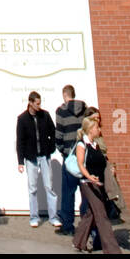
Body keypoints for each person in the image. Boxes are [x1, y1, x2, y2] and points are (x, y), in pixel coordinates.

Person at [72, 116, 122, 254]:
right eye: (97, 127)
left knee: (91, 213)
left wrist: (109, 168)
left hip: (99, 183)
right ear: (90, 130)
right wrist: (89, 177)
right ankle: (112, 250)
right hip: (88, 184)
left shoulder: (96, 145)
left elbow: (102, 162)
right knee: (101, 215)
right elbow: (80, 165)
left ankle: (78, 241)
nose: (99, 129)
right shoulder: (82, 144)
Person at [16, 91, 61, 227]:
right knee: (32, 188)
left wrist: (51, 147)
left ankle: (53, 217)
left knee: (49, 186)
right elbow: (20, 141)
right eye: (37, 103)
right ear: (30, 103)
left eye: (40, 103)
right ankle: (34, 217)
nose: (39, 106)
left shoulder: (45, 115)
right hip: (31, 157)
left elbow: (54, 132)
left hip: (44, 155)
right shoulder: (22, 119)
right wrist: (20, 161)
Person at [55, 84, 87, 236]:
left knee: (68, 192)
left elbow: (59, 135)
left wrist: (63, 151)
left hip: (69, 156)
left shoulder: (61, 111)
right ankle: (86, 223)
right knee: (85, 191)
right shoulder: (85, 110)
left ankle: (68, 225)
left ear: (64, 95)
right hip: (84, 155)